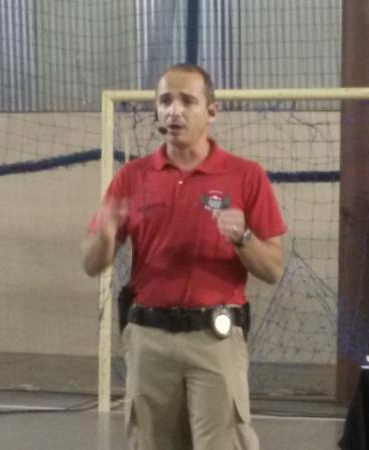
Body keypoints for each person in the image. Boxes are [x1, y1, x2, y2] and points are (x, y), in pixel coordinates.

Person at [81, 63, 286, 450]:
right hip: (149, 340)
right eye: (165, 101)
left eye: (187, 101)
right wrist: (105, 237)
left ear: (212, 111)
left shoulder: (245, 176)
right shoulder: (132, 176)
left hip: (215, 341)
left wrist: (242, 237)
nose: (174, 111)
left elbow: (273, 269)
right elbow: (91, 264)